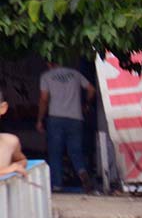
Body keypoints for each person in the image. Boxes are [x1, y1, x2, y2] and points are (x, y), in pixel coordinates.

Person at [37, 61, 97, 193]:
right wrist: (86, 105)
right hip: (76, 118)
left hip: (56, 118)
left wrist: (40, 119)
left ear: (49, 63)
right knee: (76, 151)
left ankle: (57, 185)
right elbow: (91, 89)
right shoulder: (75, 74)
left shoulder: (46, 76)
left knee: (55, 153)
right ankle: (83, 174)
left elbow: (44, 98)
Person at [0, 89, 29, 177]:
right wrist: (5, 170)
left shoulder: (10, 142)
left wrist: (15, 167)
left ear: (3, 108)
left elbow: (22, 161)